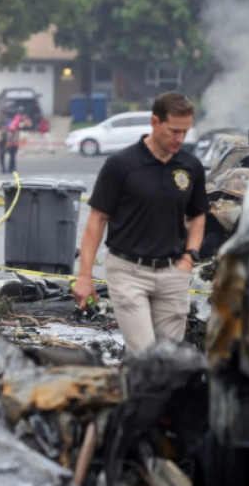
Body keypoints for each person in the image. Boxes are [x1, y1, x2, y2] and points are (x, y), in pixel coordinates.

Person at [73, 91, 207, 354]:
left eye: (185, 131)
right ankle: (138, 391)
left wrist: (189, 257)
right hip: (128, 272)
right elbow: (97, 221)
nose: (180, 139)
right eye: (173, 131)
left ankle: (139, 392)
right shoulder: (121, 164)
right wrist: (85, 276)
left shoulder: (191, 166)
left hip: (173, 273)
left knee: (169, 360)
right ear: (154, 122)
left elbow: (198, 215)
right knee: (145, 355)